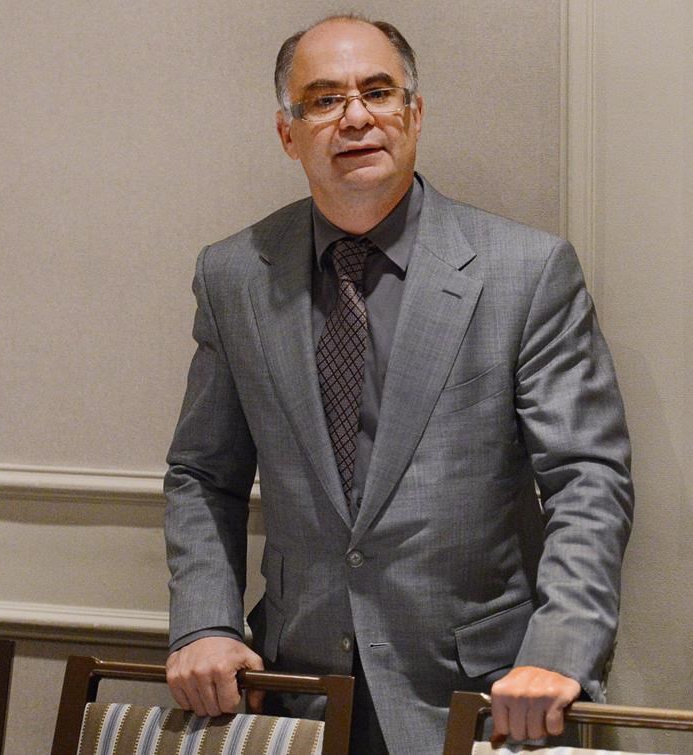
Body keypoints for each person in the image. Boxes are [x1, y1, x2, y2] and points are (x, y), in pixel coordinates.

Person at [163, 12, 633, 754]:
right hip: (296, 693)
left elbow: (588, 478)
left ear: (414, 114)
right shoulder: (234, 275)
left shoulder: (526, 271)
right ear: (287, 133)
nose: (355, 117)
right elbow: (202, 474)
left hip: (482, 699)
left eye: (378, 92)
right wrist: (205, 620)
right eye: (324, 100)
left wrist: (561, 647)